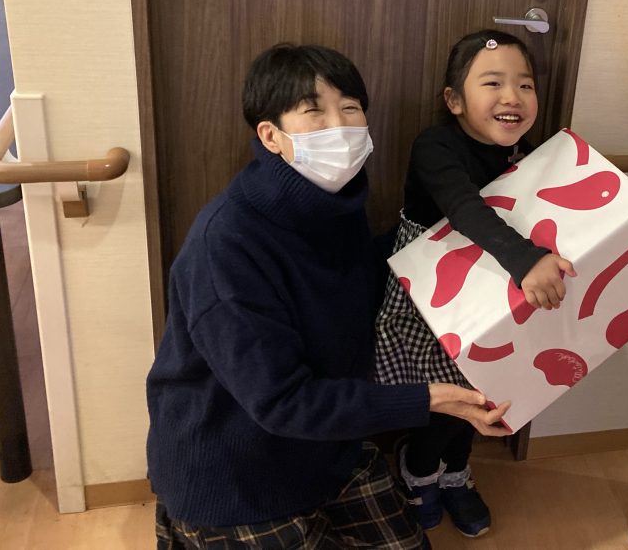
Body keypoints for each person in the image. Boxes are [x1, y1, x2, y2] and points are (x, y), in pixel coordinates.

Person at [146, 43, 510, 550]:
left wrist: (441, 244)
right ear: (271, 135)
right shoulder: (226, 246)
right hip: (235, 477)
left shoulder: (335, 206)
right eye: (313, 111)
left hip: (329, 446)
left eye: (351, 108)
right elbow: (282, 401)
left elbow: (361, 277)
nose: (339, 126)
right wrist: (429, 398)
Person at [375, 30, 575, 538]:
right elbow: (465, 208)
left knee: (487, 383)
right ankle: (420, 469)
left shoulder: (531, 155)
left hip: (494, 280)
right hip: (435, 288)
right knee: (446, 388)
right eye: (493, 83)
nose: (512, 97)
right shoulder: (435, 146)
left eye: (525, 85)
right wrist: (527, 260)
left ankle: (456, 471)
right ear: (454, 100)